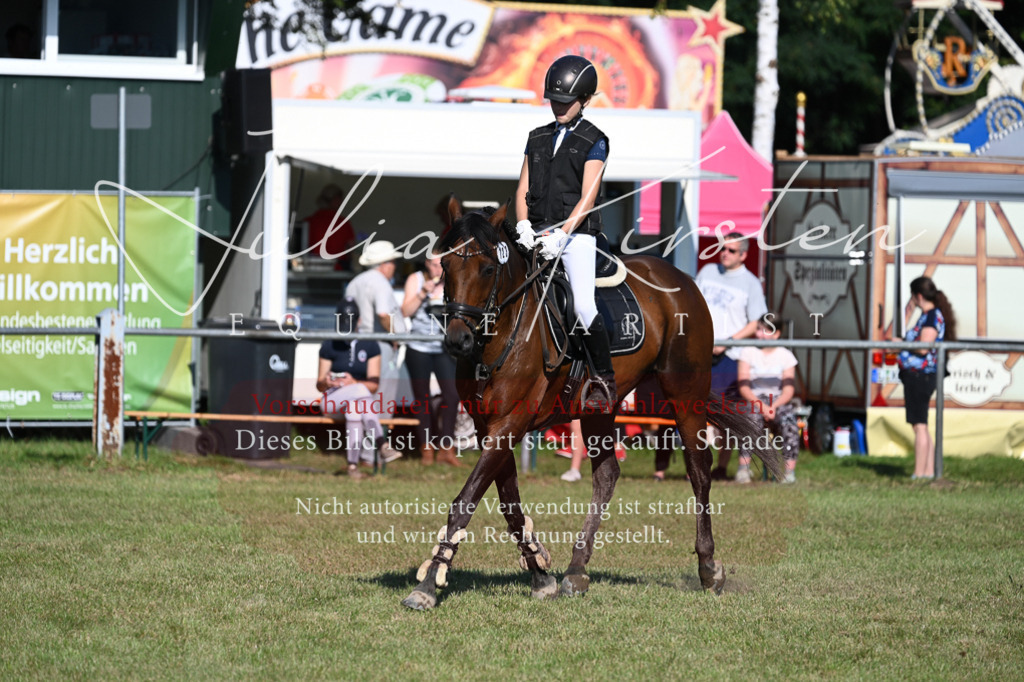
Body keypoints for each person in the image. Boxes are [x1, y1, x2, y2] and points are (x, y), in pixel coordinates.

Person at [513, 55, 615, 414]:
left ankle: (603, 378)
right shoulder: (537, 138)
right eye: (554, 101)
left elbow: (588, 196)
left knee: (583, 304)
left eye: (566, 102)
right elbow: (522, 186)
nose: (558, 107)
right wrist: (523, 224)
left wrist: (563, 233)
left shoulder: (595, 140)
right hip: (536, 232)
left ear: (584, 100)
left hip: (576, 236)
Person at [695, 231, 768, 480]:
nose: (724, 253)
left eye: (731, 250)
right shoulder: (707, 272)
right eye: (723, 248)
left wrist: (727, 343)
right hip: (701, 352)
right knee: (697, 411)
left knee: (726, 416)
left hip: (731, 356)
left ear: (744, 255)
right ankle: (697, 466)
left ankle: (723, 467)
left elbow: (756, 321)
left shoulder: (750, 283)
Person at [401, 254, 462, 467]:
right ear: (426, 265)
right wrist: (423, 293)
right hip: (418, 347)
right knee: (422, 399)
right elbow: (405, 311)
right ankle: (426, 448)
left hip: (442, 347)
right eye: (434, 265)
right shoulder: (416, 279)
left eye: (441, 265)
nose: (438, 270)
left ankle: (447, 448)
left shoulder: (452, 281)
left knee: (453, 396)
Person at [316, 298, 386, 479]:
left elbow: (373, 386)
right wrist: (329, 382)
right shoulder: (329, 344)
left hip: (357, 403)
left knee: (356, 408)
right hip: (332, 401)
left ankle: (352, 466)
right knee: (361, 392)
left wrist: (353, 383)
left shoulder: (370, 344)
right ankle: (382, 443)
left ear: (359, 321)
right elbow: (319, 385)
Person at [898, 276, 956, 480]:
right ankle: (928, 471)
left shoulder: (931, 317)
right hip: (918, 375)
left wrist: (903, 343)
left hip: (920, 376)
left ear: (918, 296)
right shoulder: (928, 316)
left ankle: (921, 473)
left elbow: (923, 347)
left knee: (919, 426)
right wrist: (907, 313)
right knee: (921, 424)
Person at [734, 313, 800, 484]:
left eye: (765, 330)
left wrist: (773, 406)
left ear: (777, 334)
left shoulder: (786, 356)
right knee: (749, 420)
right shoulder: (747, 352)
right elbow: (744, 387)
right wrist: (762, 406)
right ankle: (744, 470)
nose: (760, 334)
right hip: (754, 399)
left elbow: (788, 390)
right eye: (758, 329)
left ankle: (788, 472)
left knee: (789, 421)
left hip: (778, 400)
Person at [346, 240, 407, 422]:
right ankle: (380, 442)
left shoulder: (355, 282)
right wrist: (394, 337)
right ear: (384, 264)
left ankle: (365, 440)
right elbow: (382, 313)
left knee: (362, 392)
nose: (394, 267)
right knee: (383, 394)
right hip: (380, 345)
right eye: (393, 262)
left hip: (358, 343)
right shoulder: (380, 282)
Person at [303, 183, 356, 269]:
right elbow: (351, 247)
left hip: (311, 268)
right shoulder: (343, 222)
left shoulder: (307, 222)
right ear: (335, 200)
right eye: (340, 199)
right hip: (337, 269)